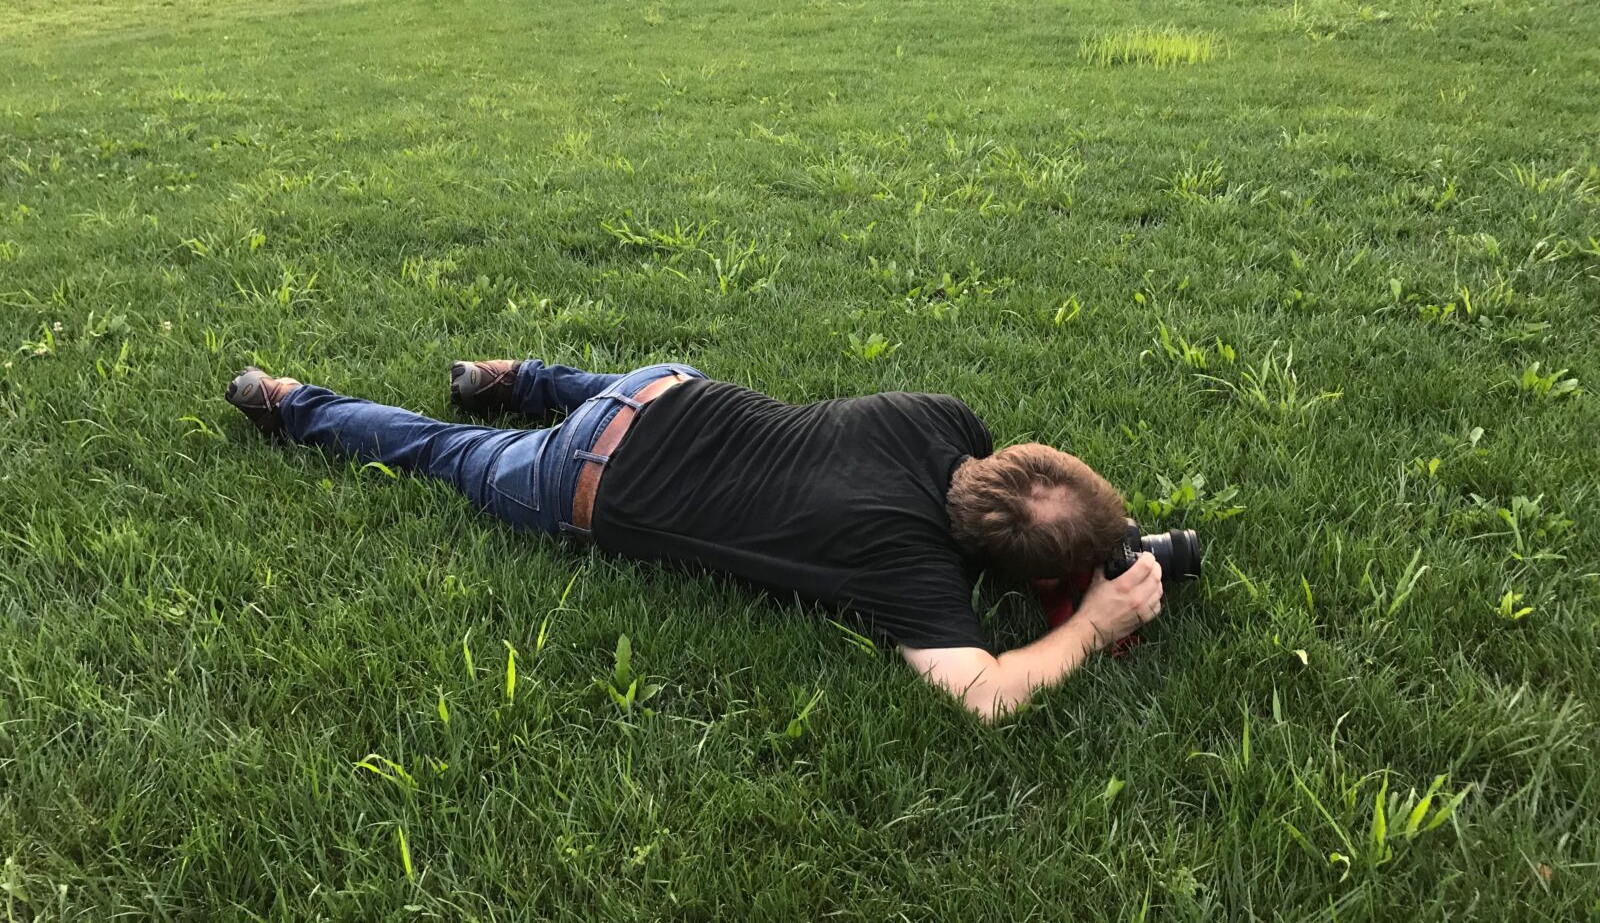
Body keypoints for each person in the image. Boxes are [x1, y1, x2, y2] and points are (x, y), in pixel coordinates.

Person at [226, 358, 1165, 721]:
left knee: (624, 395)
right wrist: (1088, 623)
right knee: (444, 452)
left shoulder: (941, 418)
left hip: (656, 389)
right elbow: (983, 695)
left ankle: (512, 374)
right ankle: (289, 403)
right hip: (593, 482)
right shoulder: (910, 568)